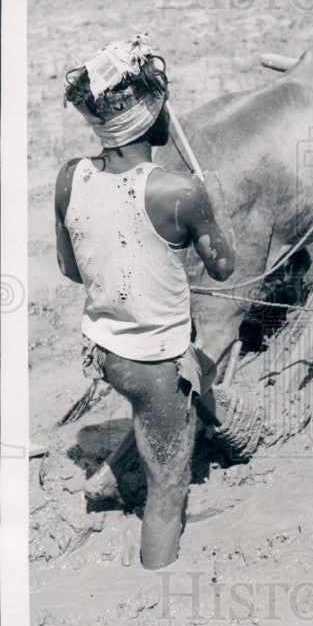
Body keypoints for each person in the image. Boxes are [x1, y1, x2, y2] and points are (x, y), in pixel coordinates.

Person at [56, 35, 235, 569]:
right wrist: (208, 214)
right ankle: (155, 593)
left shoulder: (71, 176)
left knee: (191, 381)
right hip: (155, 366)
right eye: (164, 107)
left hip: (105, 353)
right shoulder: (179, 191)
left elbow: (70, 268)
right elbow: (225, 268)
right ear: (151, 120)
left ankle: (192, 422)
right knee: (168, 491)